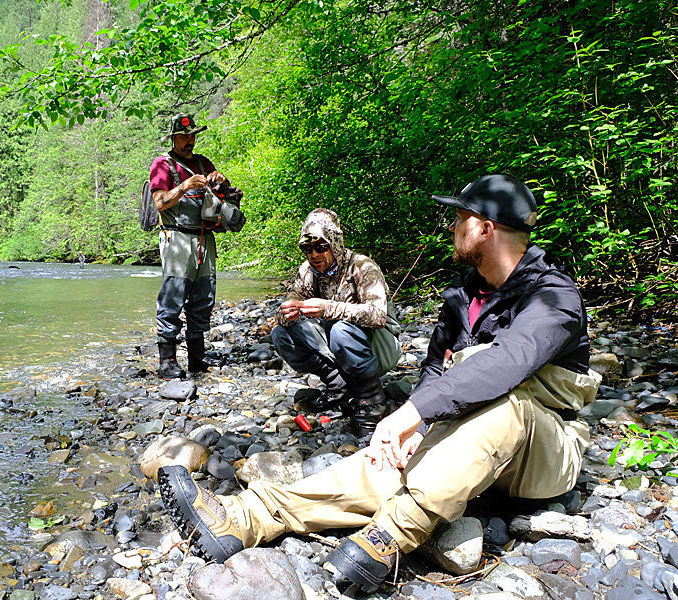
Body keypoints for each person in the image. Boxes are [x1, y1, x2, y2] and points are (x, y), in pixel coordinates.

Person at [157, 174, 601, 592]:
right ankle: (245, 517)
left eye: (459, 218)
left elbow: (509, 361)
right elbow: (433, 372)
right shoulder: (462, 298)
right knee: (384, 457)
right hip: (467, 446)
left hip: (545, 453)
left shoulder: (553, 296)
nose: (451, 225)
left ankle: (392, 533)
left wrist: (415, 412)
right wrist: (414, 428)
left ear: (485, 229)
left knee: (502, 405)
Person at [271, 208, 401, 437]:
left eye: (321, 246)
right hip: (341, 345)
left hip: (380, 347)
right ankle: (338, 383)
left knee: (341, 330)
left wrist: (327, 308)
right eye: (306, 248)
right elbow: (286, 307)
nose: (313, 254)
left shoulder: (362, 267)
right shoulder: (307, 272)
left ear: (335, 243)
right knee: (281, 334)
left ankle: (371, 398)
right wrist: (288, 311)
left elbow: (378, 316)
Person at [149, 113, 228, 379]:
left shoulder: (203, 162)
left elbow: (217, 196)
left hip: (205, 237)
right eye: (184, 136)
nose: (190, 141)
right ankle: (167, 360)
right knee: (173, 296)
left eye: (193, 136)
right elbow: (160, 203)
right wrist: (184, 185)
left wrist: (222, 183)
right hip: (176, 237)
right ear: (174, 138)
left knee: (203, 295)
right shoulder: (162, 165)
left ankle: (196, 357)